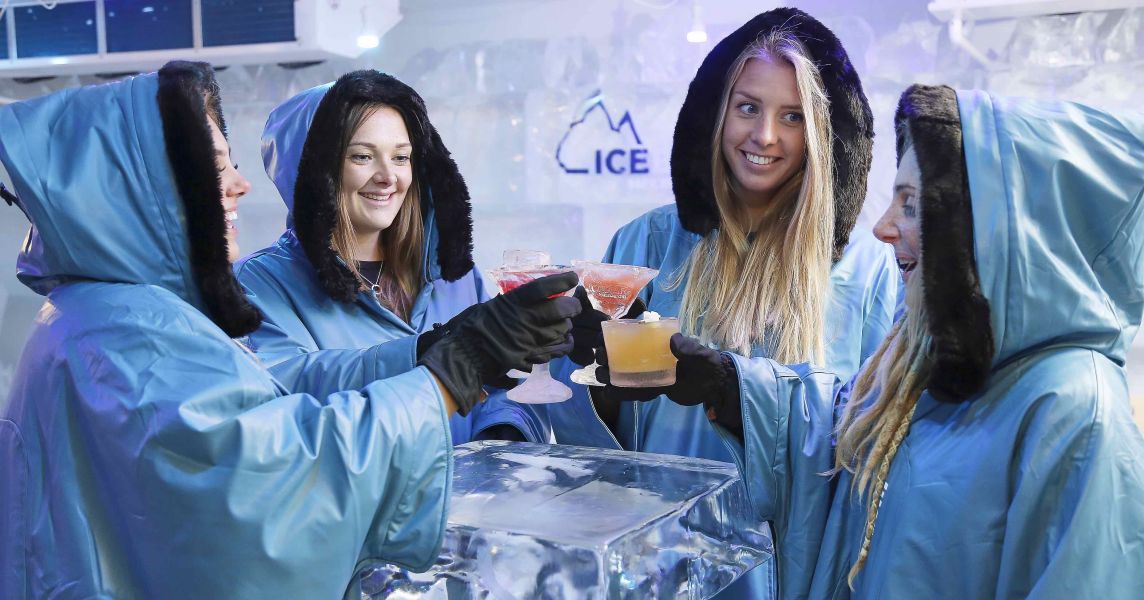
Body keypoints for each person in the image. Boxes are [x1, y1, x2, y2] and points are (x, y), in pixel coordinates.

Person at [0, 61, 580, 598]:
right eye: (214, 163)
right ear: (130, 185)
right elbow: (279, 465)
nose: (237, 184)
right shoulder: (128, 333)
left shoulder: (118, 314)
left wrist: (449, 363)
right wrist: (447, 373)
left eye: (403, 156)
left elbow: (290, 391)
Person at [600, 84, 1144, 598]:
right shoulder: (935, 363)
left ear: (1005, 229)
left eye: (911, 204)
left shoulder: (1074, 410)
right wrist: (724, 383)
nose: (882, 227)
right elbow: (845, 431)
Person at [554, 8, 898, 475]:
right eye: (748, 107)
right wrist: (598, 381)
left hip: (787, 543)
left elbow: (874, 433)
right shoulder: (646, 241)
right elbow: (590, 434)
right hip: (660, 529)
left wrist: (735, 394)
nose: (765, 136)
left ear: (822, 134)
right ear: (717, 111)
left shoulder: (867, 269)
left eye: (793, 117)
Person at [237, 70, 546, 443]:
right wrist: (424, 354)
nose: (388, 177)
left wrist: (501, 437)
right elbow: (288, 388)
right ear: (312, 172)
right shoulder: (257, 286)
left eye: (401, 157)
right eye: (362, 156)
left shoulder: (456, 277)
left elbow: (507, 386)